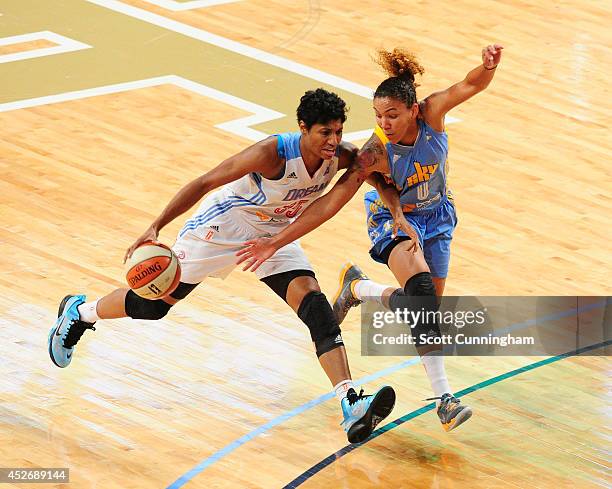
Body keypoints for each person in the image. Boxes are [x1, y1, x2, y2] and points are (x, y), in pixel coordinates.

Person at [47, 88, 397, 444]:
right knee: (150, 307)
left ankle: (350, 400)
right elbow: (206, 181)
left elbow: (378, 179)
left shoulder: (341, 155)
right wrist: (156, 225)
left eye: (338, 132)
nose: (333, 141)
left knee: (315, 306)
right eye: (325, 132)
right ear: (303, 128)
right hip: (223, 227)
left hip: (274, 234)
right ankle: (82, 312)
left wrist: (398, 212)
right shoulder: (272, 154)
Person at [236, 44, 504, 432]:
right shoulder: (375, 151)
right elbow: (334, 200)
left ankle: (358, 289)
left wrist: (487, 66)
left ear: (413, 110)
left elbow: (469, 85)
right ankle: (445, 399)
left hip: (438, 216)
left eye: (392, 115)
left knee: (424, 310)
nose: (385, 123)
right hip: (392, 220)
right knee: (422, 293)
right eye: (378, 116)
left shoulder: (432, 113)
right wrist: (396, 215)